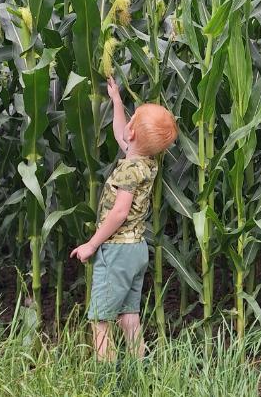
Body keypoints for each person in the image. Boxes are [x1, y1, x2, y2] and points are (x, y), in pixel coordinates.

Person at [70, 77, 178, 362]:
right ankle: (138, 370)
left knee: (100, 321)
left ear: (132, 134)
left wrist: (92, 244)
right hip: (137, 250)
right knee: (129, 317)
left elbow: (119, 212)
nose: (126, 125)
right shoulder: (147, 163)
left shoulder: (128, 170)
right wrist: (117, 101)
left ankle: (107, 381)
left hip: (116, 251)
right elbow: (123, 136)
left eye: (131, 122)